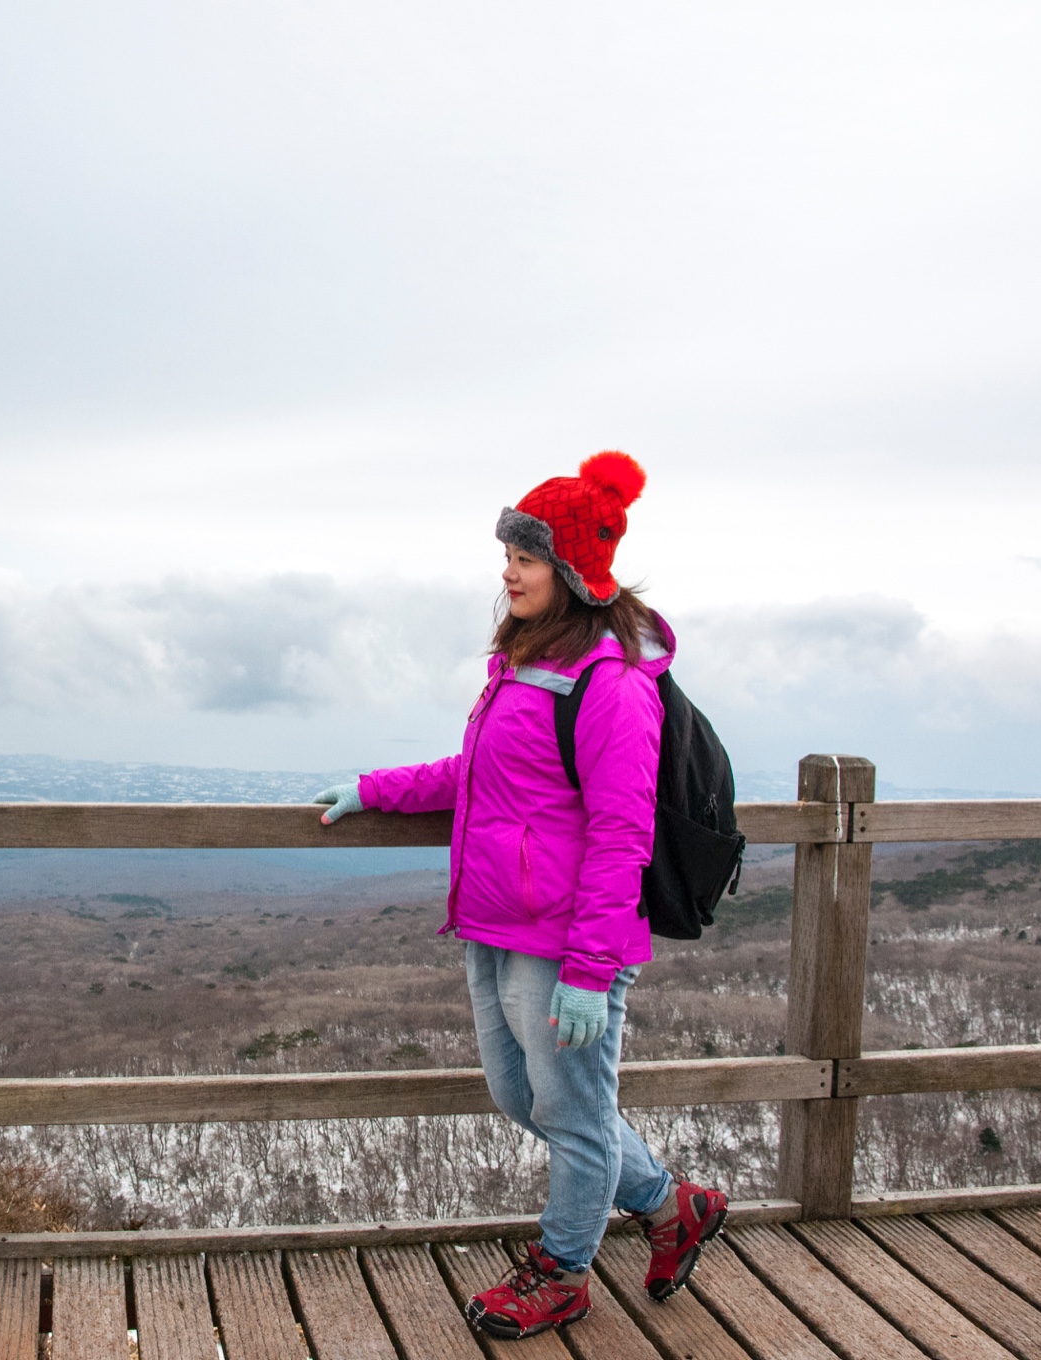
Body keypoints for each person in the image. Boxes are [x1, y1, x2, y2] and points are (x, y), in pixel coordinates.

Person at [313, 451, 728, 1340]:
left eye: (527, 557)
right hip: (495, 923)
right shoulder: (526, 662)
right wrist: (377, 789)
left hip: (568, 942)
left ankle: (564, 1271)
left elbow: (623, 833)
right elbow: (486, 776)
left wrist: (589, 971)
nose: (507, 572)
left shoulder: (611, 683)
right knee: (521, 1097)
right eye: (508, 553)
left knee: (576, 1118)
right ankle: (667, 1204)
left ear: (573, 572)